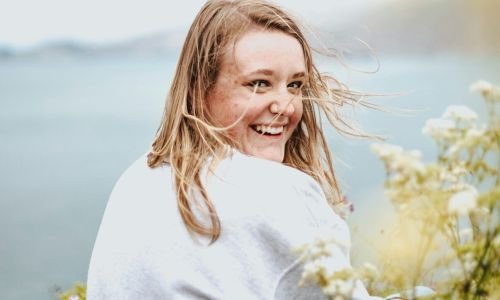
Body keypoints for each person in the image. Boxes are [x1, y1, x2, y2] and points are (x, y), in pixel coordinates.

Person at [87, 0, 378, 299]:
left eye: (295, 85)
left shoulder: (137, 179)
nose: (286, 106)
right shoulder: (280, 193)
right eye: (259, 83)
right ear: (201, 90)